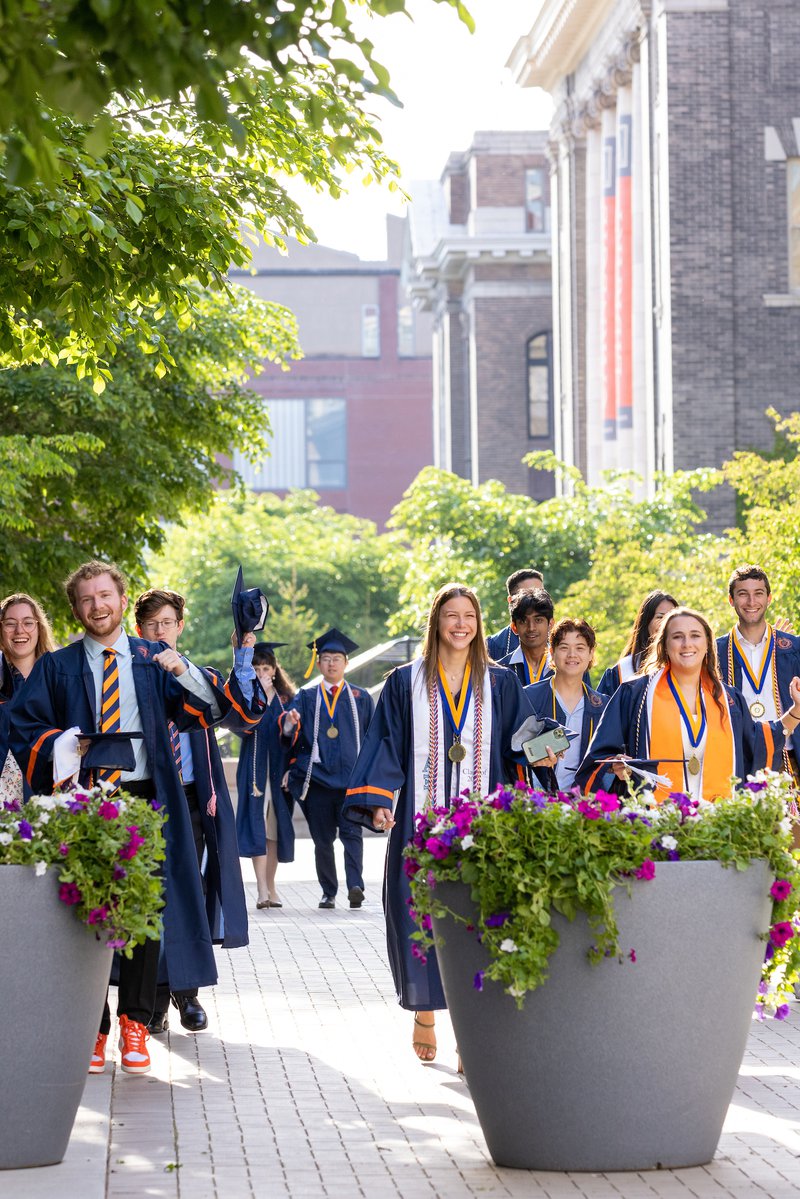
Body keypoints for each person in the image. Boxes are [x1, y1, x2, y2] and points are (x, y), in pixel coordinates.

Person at [9, 560, 233, 1076]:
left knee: (142, 916)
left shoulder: (155, 659)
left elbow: (206, 709)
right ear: (75, 608)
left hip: (145, 801)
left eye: (105, 595)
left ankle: (136, 1024)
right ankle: (94, 1026)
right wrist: (66, 743)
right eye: (86, 599)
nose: (97, 606)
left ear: (119, 596)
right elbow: (25, 726)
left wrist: (184, 670)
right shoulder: (57, 666)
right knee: (85, 916)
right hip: (82, 801)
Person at [343, 583, 534, 1065]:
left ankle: (470, 1029)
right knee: (418, 912)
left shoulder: (501, 682)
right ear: (436, 622)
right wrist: (381, 799)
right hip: (418, 822)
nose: (461, 624)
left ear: (479, 623)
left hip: (486, 824)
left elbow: (523, 744)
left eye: (468, 615)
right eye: (451, 615)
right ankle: (425, 1010)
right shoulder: (404, 681)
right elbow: (384, 743)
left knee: (481, 916)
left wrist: (544, 751)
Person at [133, 587, 253, 1035]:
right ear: (138, 630)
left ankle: (187, 994)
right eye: (151, 625)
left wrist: (244, 652)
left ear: (180, 626)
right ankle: (161, 997)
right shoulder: (133, 677)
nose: (159, 631)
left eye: (167, 623)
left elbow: (241, 712)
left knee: (194, 895)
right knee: (158, 900)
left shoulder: (198, 676)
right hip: (152, 798)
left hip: (195, 798)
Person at [575, 607, 800, 801]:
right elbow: (599, 759)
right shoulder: (635, 695)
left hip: (718, 827)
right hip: (655, 826)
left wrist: (797, 710)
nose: (687, 644)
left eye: (695, 636)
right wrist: (615, 766)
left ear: (707, 645)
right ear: (664, 645)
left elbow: (760, 742)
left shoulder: (729, 700)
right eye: (677, 636)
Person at [282, 629, 374, 910]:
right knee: (322, 841)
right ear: (319, 663)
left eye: (336, 658)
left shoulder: (360, 697)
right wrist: (289, 722)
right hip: (318, 782)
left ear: (346, 663)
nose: (331, 663)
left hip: (351, 783)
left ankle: (355, 885)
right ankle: (328, 892)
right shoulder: (307, 697)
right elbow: (290, 733)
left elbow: (372, 739)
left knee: (352, 835)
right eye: (325, 658)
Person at [716, 565, 800, 779]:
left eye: (758, 594)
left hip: (787, 758)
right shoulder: (715, 652)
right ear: (731, 600)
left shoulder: (792, 648)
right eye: (743, 594)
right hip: (738, 759)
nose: (751, 602)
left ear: (769, 598)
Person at [233, 641, 297, 910]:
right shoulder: (247, 698)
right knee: (257, 827)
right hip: (254, 772)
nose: (261, 672)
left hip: (278, 772)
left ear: (274, 670)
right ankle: (260, 888)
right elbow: (238, 728)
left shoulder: (286, 699)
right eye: (256, 667)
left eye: (266, 667)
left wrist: (290, 726)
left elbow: (292, 737)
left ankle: (271, 885)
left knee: (273, 832)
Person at [524, 619, 608, 792]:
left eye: (580, 648)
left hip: (585, 804)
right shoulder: (528, 698)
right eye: (564, 647)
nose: (572, 654)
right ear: (552, 653)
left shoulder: (603, 707)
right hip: (535, 800)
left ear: (591, 653)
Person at [0, 592, 56, 803]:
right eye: (10, 624)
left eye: (28, 622)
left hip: (47, 790)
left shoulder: (58, 678)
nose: (19, 631)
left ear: (39, 627)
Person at [596, 590, 678, 696]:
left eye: (671, 618)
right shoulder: (622, 671)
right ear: (646, 622)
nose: (666, 623)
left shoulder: (687, 667)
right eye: (660, 617)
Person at [499, 588, 555, 685]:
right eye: (523, 621)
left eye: (538, 620)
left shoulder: (567, 665)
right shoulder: (499, 670)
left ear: (550, 624)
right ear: (514, 627)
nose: (531, 628)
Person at [486, 568, 544, 661]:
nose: (536, 600)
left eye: (541, 594)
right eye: (527, 595)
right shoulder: (493, 646)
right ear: (510, 601)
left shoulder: (559, 639)